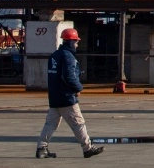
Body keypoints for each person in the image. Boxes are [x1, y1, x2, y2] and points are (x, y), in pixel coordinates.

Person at [35, 28, 105, 159]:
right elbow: (69, 77)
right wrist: (78, 88)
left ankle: (41, 148)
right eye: (76, 42)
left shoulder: (54, 55)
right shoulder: (68, 56)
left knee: (50, 124)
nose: (77, 45)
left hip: (54, 97)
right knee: (78, 123)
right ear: (71, 42)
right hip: (66, 97)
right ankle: (87, 148)